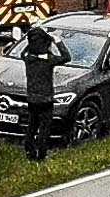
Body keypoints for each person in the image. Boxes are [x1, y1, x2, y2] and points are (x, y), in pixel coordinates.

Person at [18, 24, 71, 160]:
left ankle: (29, 150)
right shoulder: (49, 60)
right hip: (46, 99)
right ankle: (41, 154)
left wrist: (30, 41)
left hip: (31, 98)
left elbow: (22, 53)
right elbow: (66, 57)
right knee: (44, 128)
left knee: (32, 125)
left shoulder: (28, 59)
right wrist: (57, 41)